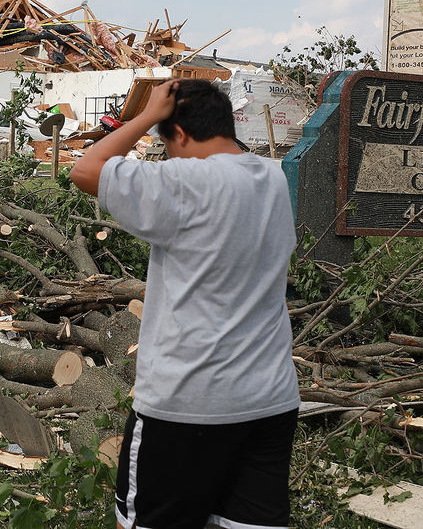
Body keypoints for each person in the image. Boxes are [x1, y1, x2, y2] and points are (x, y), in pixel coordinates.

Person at [70, 78, 300, 529]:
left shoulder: (185, 182)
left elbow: (85, 169)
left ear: (178, 133)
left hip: (186, 404)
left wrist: (146, 115)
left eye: (167, 143)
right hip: (268, 400)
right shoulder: (273, 178)